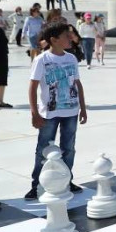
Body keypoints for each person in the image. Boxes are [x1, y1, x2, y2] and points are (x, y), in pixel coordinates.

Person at [25, 22, 87, 198]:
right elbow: (32, 87)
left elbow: (77, 83)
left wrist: (82, 108)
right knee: (43, 149)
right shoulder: (41, 60)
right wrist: (34, 113)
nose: (70, 38)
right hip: (49, 113)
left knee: (69, 147)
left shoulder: (71, 58)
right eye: (66, 36)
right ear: (54, 39)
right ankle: (37, 183)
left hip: (71, 112)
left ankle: (66, 179)